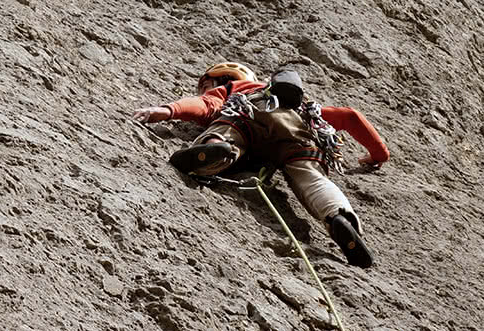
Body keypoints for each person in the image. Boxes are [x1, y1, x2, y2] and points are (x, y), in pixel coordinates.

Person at [133, 62, 390, 268]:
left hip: (251, 113)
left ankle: (213, 150)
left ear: (218, 78)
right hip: (299, 131)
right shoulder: (302, 104)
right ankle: (341, 217)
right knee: (313, 178)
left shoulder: (237, 88)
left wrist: (168, 110)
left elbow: (206, 106)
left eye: (205, 84)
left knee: (230, 126)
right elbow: (350, 117)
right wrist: (379, 155)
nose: (204, 90)